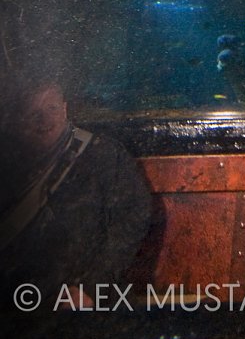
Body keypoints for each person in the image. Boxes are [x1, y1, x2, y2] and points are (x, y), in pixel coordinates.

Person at [0, 76, 152, 309]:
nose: (44, 119)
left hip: (88, 296)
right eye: (34, 112)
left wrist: (90, 287)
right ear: (19, 118)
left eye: (51, 108)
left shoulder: (103, 154)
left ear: (64, 109)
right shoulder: (8, 162)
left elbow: (131, 220)